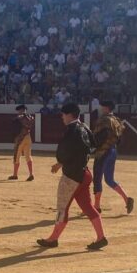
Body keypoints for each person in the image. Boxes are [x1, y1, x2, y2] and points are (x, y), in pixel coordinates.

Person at [37, 102, 107, 251]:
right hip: (85, 173)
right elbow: (93, 146)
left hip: (72, 176)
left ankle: (53, 239)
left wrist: (61, 161)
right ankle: (101, 237)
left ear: (69, 115)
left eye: (63, 114)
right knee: (87, 207)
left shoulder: (71, 131)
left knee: (62, 208)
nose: (62, 117)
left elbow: (65, 151)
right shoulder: (85, 128)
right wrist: (65, 162)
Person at [91, 100, 134, 214]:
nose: (100, 109)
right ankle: (126, 199)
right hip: (113, 151)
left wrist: (94, 147)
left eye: (102, 107)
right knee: (109, 180)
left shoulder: (104, 120)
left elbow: (101, 136)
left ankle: (96, 206)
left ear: (106, 108)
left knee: (97, 178)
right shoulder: (116, 120)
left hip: (103, 152)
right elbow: (120, 138)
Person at [9, 104, 35, 181]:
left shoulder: (19, 118)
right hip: (28, 137)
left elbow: (14, 124)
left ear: (22, 110)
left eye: (19, 110)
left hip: (20, 139)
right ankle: (31, 174)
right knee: (28, 156)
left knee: (17, 156)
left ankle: (15, 175)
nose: (18, 112)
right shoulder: (31, 117)